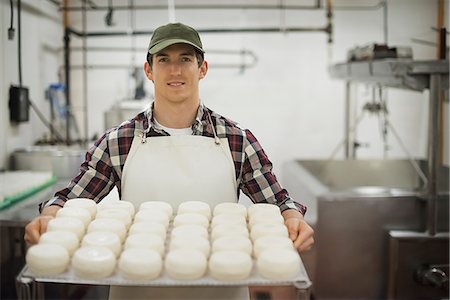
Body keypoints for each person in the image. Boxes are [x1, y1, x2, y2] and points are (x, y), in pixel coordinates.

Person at [24, 22, 314, 300]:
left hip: (219, 290)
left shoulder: (236, 140)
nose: (175, 69)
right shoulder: (120, 141)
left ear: (203, 69)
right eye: (163, 59)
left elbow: (278, 204)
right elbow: (72, 199)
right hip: (137, 290)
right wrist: (50, 214)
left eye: (185, 59)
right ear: (149, 70)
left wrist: (292, 218)